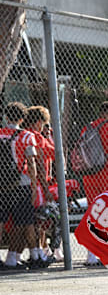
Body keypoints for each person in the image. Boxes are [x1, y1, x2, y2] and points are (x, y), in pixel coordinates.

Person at [82, 101, 108, 266]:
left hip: (89, 175)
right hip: (107, 172)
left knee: (94, 213)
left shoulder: (88, 127)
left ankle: (91, 255)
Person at [0, 102, 38, 269]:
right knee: (20, 221)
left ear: (6, 117)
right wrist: (34, 185)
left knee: (1, 219)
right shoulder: (27, 136)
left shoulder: (0, 133)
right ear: (22, 119)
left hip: (1, 183)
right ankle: (11, 258)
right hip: (21, 183)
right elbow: (31, 162)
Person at [24, 106, 56, 266]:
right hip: (37, 183)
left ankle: (38, 252)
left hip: (25, 183)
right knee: (40, 219)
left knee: (29, 219)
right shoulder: (37, 137)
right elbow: (54, 154)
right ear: (38, 123)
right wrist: (44, 188)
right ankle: (39, 254)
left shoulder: (24, 135)